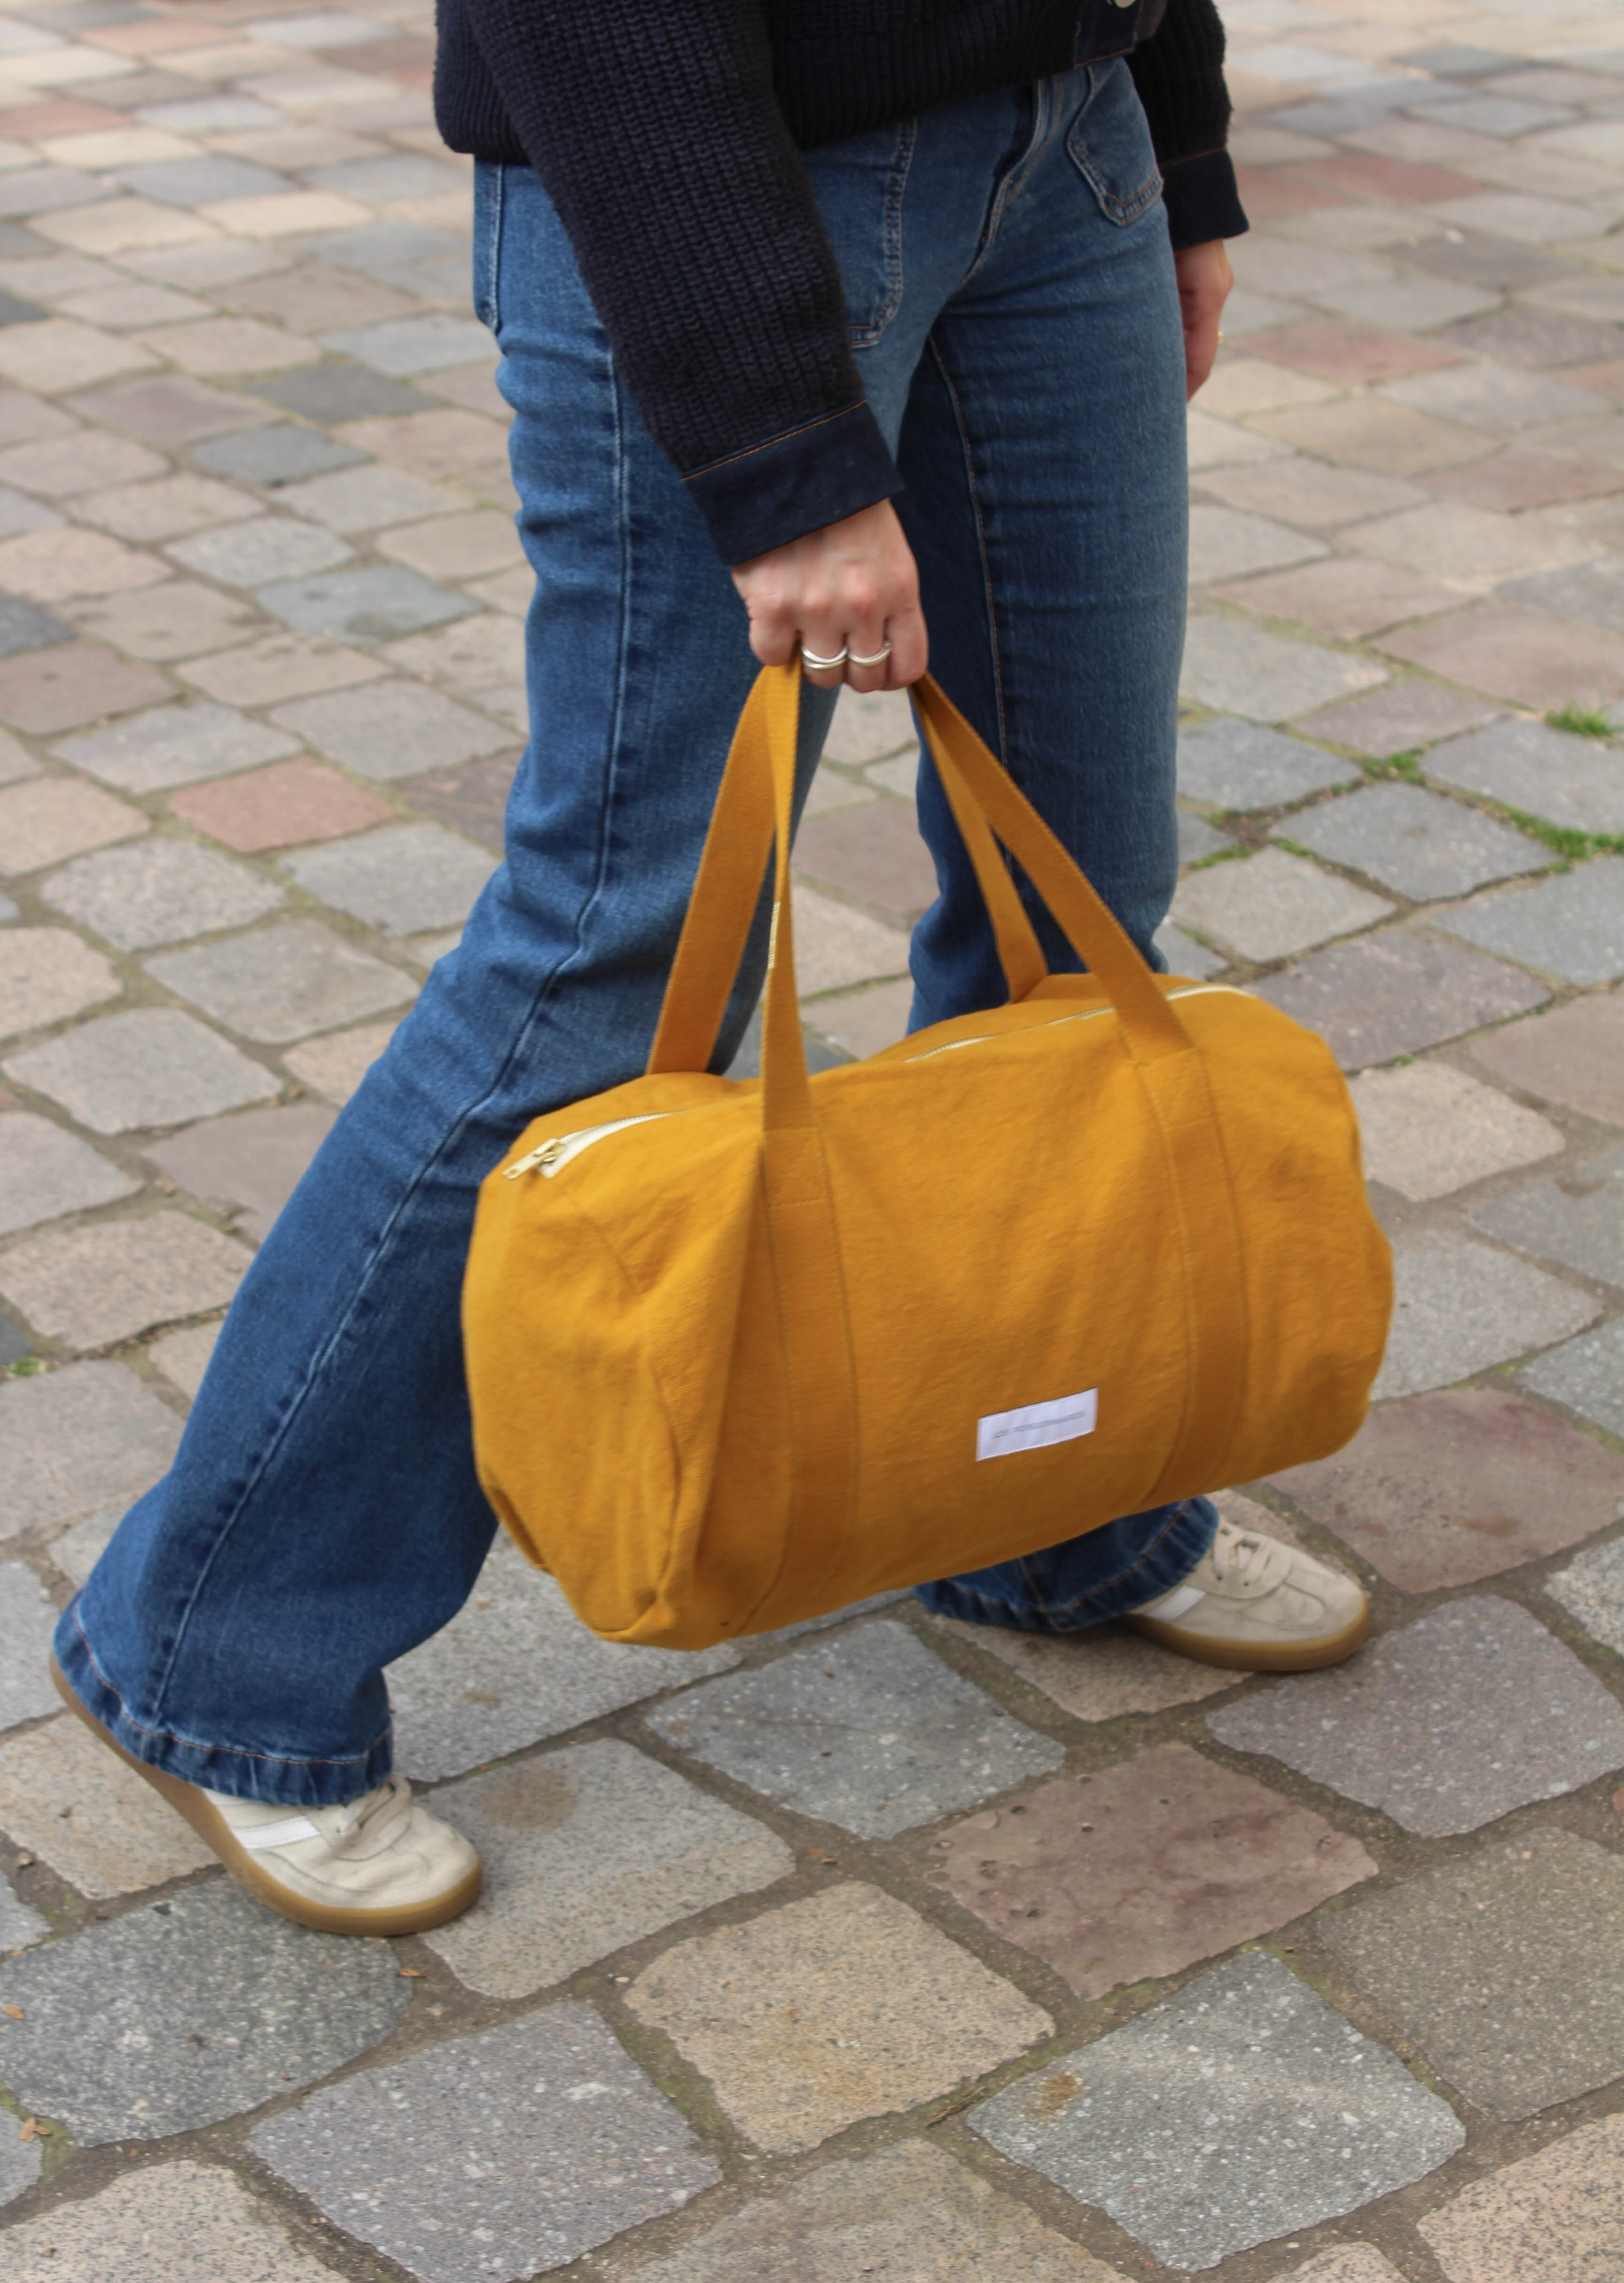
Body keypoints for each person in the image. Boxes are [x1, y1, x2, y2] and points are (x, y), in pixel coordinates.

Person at [51, 0, 1370, 1940]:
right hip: (739, 196)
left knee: (1081, 908)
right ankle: (217, 1658)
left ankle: (1053, 1498)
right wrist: (780, 447)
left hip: (1064, 150)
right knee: (613, 949)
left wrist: (1174, 142)